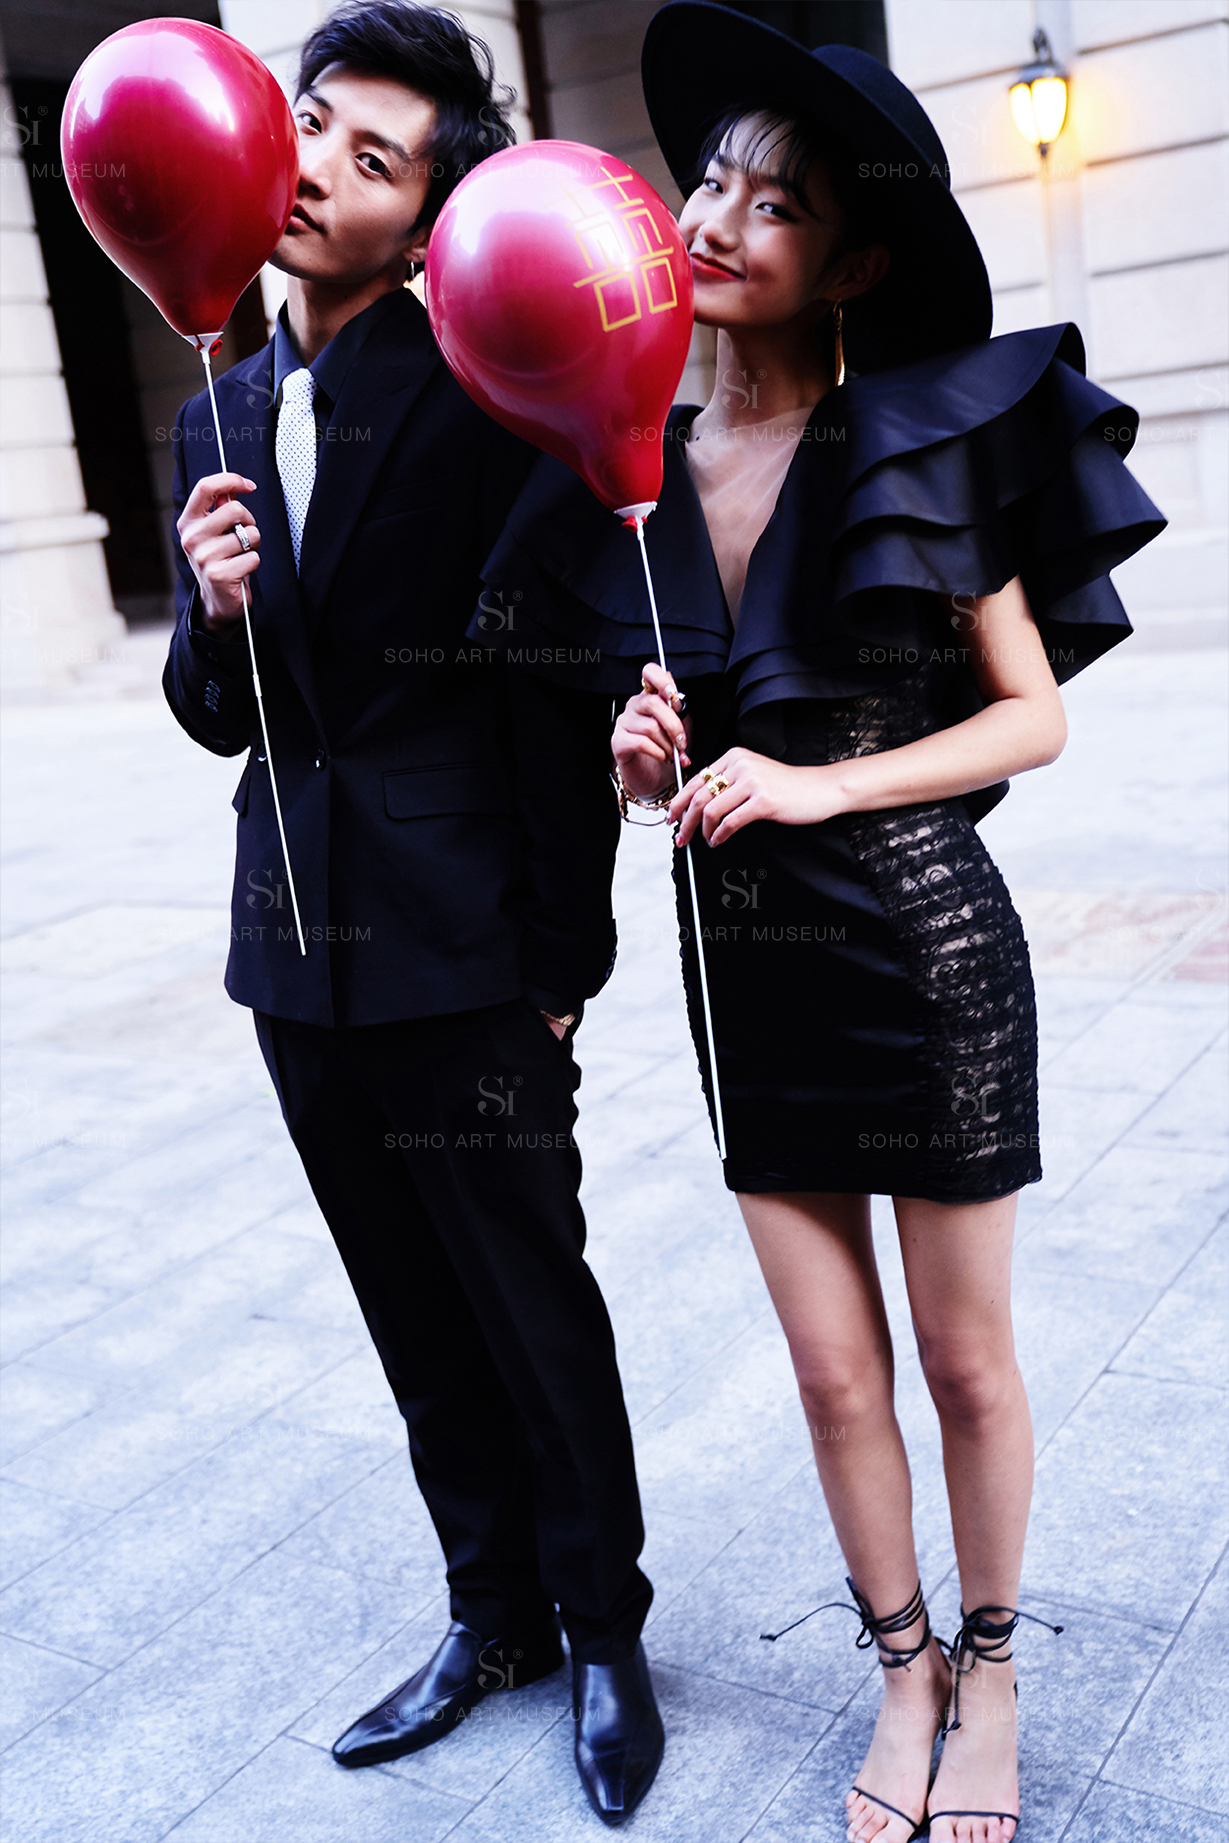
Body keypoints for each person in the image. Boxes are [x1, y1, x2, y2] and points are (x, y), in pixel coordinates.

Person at [473, 5, 1165, 1839]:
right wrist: (649, 761)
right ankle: (901, 1667)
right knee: (828, 1366)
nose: (711, 219)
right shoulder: (630, 466)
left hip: (924, 953)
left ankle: (992, 1670)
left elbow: (1031, 718)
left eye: (771, 204)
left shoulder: (918, 439)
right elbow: (667, 755)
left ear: (849, 263)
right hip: (748, 982)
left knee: (958, 1360)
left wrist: (815, 784)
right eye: (707, 180)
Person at [162, 1, 664, 1823]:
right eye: (309, 122)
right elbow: (218, 717)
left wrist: (558, 965)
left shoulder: (483, 387)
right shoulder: (215, 399)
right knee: (405, 1306)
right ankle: (490, 1618)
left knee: (527, 1299)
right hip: (291, 948)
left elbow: (545, 694)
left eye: (368, 159)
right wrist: (215, 610)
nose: (309, 169)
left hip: (465, 949)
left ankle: (602, 1631)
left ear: (423, 220)